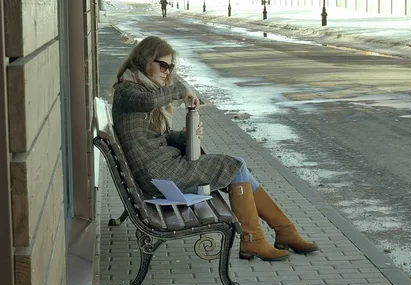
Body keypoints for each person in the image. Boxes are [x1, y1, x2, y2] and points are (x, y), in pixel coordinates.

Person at [111, 36, 319, 261]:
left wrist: (182, 137)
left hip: (158, 169)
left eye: (170, 67)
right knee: (235, 166)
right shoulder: (128, 92)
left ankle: (283, 231)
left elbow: (151, 137)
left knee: (237, 166)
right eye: (163, 65)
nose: (166, 72)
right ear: (144, 60)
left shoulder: (138, 89)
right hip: (159, 174)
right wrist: (182, 89)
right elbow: (148, 103)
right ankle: (256, 240)